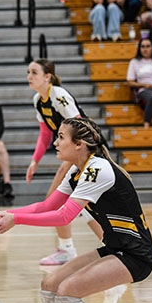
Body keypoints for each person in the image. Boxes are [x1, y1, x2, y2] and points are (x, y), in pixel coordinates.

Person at [0, 118, 152, 303]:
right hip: (114, 248)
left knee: (68, 291)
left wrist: (15, 221)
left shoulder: (96, 169)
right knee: (50, 287)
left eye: (61, 137)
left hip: (136, 255)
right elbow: (47, 205)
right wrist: (8, 214)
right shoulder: (77, 170)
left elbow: (64, 216)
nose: (56, 142)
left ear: (79, 144)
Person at [26, 59, 105, 265]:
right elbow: (45, 133)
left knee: (58, 200)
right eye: (28, 72)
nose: (29, 76)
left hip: (88, 152)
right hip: (76, 156)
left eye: (34, 72)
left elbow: (80, 127)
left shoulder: (59, 95)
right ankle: (102, 248)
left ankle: (69, 249)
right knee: (83, 207)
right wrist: (35, 161)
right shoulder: (38, 100)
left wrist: (71, 163)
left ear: (47, 77)